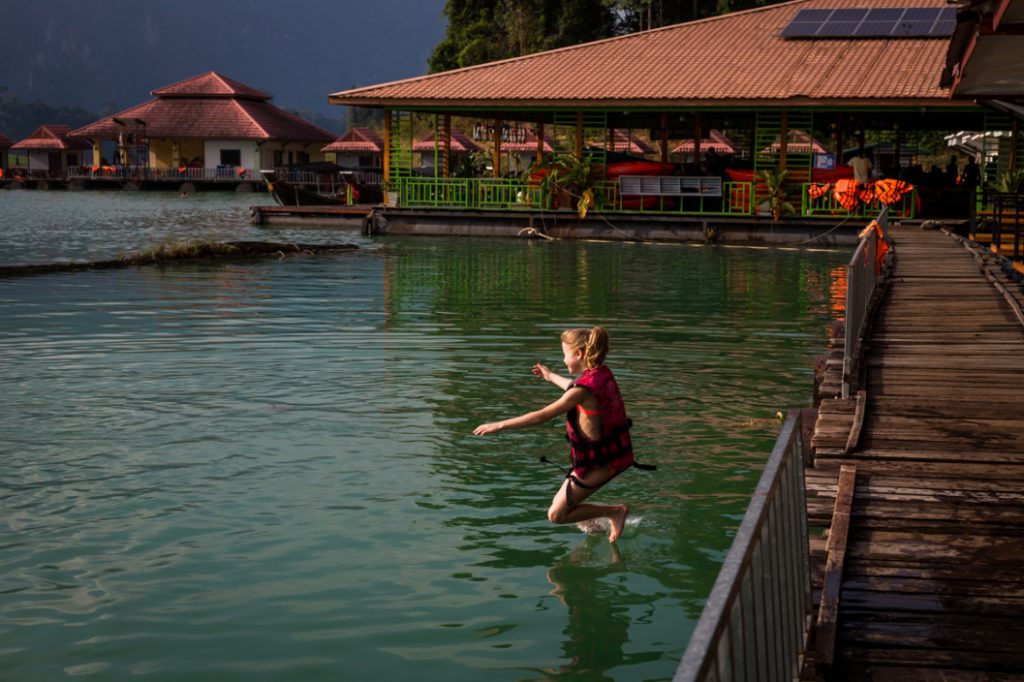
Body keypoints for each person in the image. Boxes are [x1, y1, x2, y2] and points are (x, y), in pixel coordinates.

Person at [473, 326, 652, 542]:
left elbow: (541, 416)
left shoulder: (582, 390)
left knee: (556, 515)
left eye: (564, 354)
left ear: (578, 354)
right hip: (615, 455)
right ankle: (595, 525)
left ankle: (615, 512)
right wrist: (550, 376)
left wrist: (499, 425)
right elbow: (575, 388)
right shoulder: (601, 374)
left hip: (603, 462)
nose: (563, 359)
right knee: (564, 507)